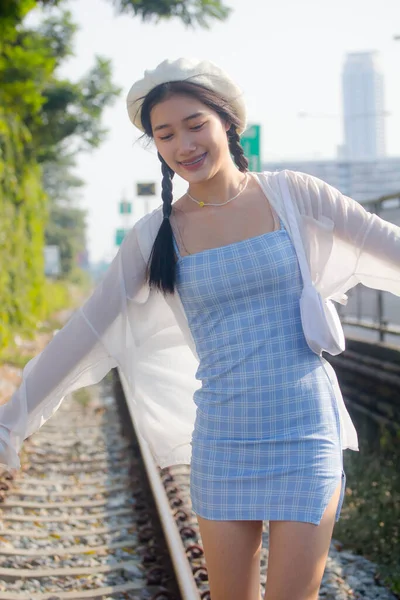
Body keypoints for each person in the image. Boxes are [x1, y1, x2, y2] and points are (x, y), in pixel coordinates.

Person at [1, 57, 399, 600]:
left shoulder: (294, 194)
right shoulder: (154, 235)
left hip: (306, 431)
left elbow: (392, 249)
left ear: (227, 123)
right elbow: (85, 330)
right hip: (224, 435)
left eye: (195, 125)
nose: (183, 144)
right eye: (164, 135)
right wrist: (11, 422)